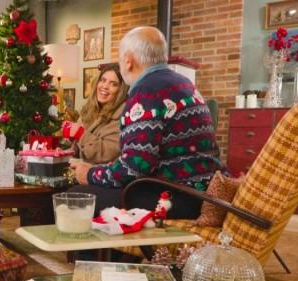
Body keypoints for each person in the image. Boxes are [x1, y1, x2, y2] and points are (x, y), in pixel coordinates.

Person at [70, 26, 224, 219]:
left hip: (175, 198)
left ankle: (108, 249)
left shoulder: (146, 93)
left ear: (128, 61)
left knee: (77, 197)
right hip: (202, 191)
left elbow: (134, 167)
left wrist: (90, 174)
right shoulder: (183, 83)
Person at [66, 63, 128, 165]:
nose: (105, 86)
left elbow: (105, 154)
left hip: (99, 177)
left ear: (121, 90)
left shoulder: (121, 116)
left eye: (113, 84)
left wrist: (81, 134)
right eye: (103, 80)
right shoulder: (89, 110)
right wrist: (64, 154)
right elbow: (78, 151)